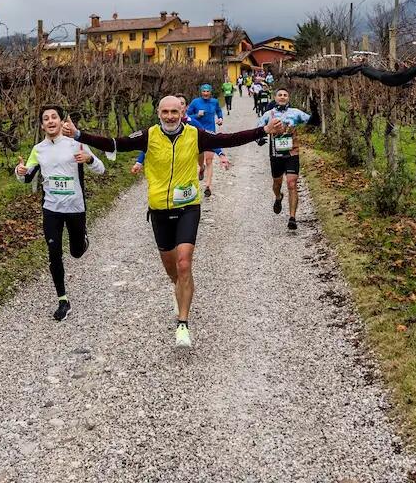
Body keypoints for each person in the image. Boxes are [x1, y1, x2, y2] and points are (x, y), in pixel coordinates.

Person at [64, 97, 285, 347]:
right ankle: (179, 292)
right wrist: (79, 134)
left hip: (188, 207)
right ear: (158, 113)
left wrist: (263, 130)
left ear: (182, 112)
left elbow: (228, 139)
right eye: (165, 112)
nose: (170, 116)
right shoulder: (148, 135)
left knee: (183, 263)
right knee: (173, 272)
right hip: (159, 209)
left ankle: (183, 324)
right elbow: (116, 143)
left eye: (174, 112)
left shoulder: (195, 134)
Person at [15, 105, 105, 320]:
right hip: (51, 208)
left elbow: (100, 168)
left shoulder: (76, 143)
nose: (50, 121)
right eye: (46, 118)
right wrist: (19, 172)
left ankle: (82, 240)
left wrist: (90, 160)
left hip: (75, 207)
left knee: (76, 252)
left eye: (54, 117)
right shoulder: (38, 149)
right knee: (53, 252)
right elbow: (27, 177)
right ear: (42, 125)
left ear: (61, 120)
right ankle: (62, 300)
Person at [256, 89, 315, 231]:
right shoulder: (268, 115)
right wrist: (259, 139)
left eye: (285, 95)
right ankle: (278, 197)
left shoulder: (295, 113)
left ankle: (292, 218)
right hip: (276, 155)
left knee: (292, 183)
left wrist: (315, 109)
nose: (282, 97)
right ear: (275, 98)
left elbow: (312, 121)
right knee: (277, 183)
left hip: (292, 153)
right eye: (280, 95)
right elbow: (258, 129)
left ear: (288, 98)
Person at [185, 84, 225, 196]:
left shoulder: (214, 102)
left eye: (207, 91)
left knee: (209, 160)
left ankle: (208, 186)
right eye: (204, 91)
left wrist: (220, 118)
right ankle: (201, 168)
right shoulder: (195, 102)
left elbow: (219, 111)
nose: (206, 93)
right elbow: (187, 116)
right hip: (197, 132)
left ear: (211, 92)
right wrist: (197, 115)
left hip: (210, 132)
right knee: (199, 157)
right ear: (201, 92)